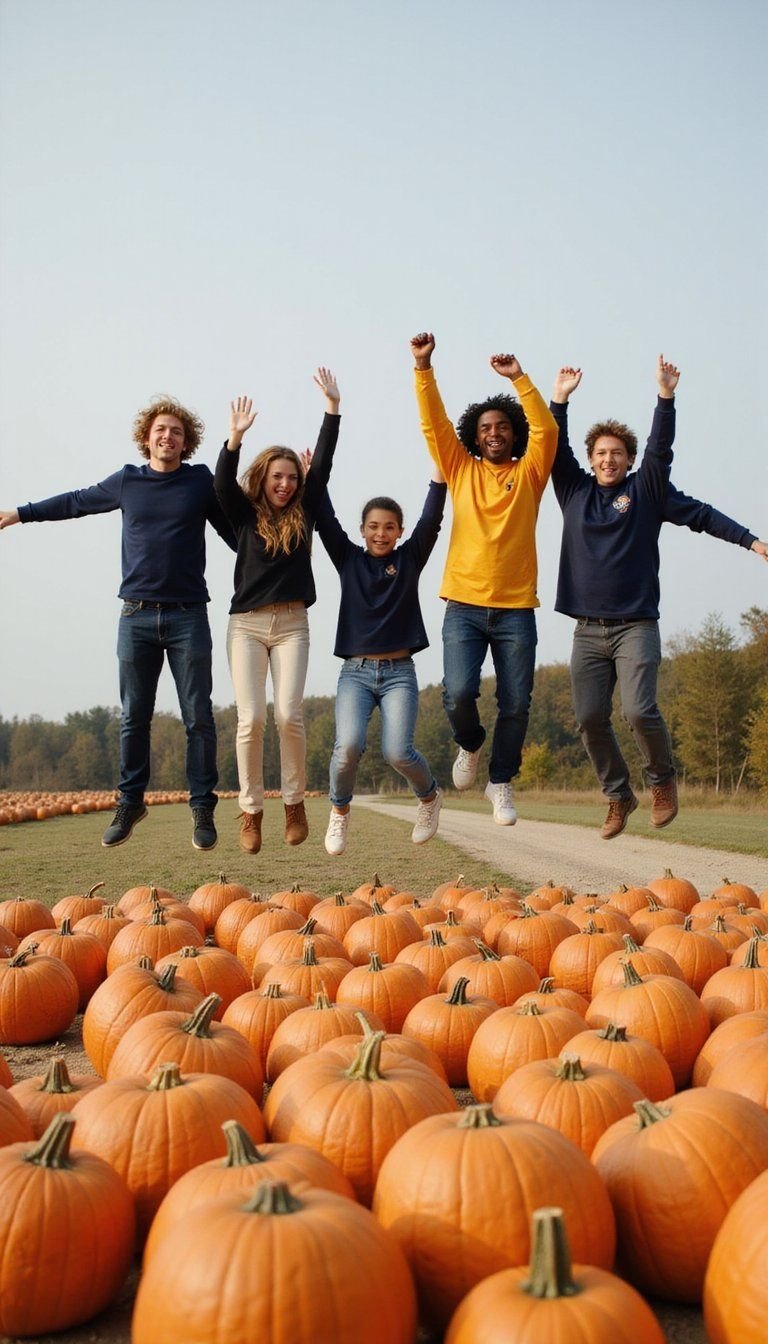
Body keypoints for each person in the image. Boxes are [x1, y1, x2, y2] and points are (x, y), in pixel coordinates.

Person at [0, 398, 236, 850]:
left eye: (177, 432)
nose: (168, 437)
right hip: (136, 616)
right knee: (133, 718)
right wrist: (22, 512)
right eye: (161, 430)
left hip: (188, 615)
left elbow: (235, 534)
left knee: (198, 718)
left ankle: (202, 808)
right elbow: (76, 502)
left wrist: (275, 555)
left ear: (187, 443)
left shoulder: (199, 482)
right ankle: (130, 803)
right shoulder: (128, 481)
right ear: (147, 436)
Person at [550, 357, 768, 838]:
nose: (608, 459)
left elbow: (694, 501)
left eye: (617, 453)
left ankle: (662, 782)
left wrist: (665, 396)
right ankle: (618, 795)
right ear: (590, 460)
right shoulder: (572, 491)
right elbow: (554, 448)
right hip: (587, 630)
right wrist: (560, 401)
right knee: (588, 718)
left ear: (629, 461)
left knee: (638, 710)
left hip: (635, 626)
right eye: (601, 453)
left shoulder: (646, 491)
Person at [410, 331, 558, 825]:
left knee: (516, 702)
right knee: (457, 692)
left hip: (517, 607)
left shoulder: (532, 472)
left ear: (513, 433)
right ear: (475, 436)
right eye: (485, 427)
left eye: (502, 427)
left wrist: (520, 380)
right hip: (464, 605)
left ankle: (500, 781)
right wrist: (424, 367)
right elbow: (433, 425)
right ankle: (470, 744)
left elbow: (548, 433)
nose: (494, 432)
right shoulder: (460, 469)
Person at [215, 369, 340, 854]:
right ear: (264, 479)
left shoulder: (304, 512)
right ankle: (250, 813)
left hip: (292, 625)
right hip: (246, 627)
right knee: (251, 721)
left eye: (292, 477)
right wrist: (235, 438)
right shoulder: (244, 515)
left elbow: (324, 463)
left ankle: (294, 804)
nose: (285, 485)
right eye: (277, 477)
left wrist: (332, 409)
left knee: (289, 714)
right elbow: (223, 482)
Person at [315, 469, 447, 856]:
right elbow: (324, 519)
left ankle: (429, 797)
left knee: (398, 752)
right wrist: (315, 477)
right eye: (373, 526)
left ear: (400, 532)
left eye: (389, 527)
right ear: (362, 530)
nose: (380, 534)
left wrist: (437, 479)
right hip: (355, 673)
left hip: (399, 675)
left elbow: (431, 521)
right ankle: (339, 811)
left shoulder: (410, 559)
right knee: (347, 748)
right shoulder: (347, 560)